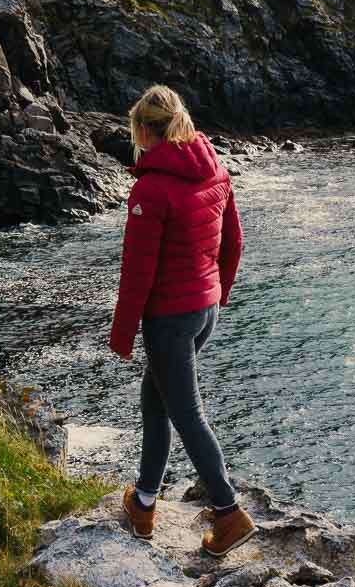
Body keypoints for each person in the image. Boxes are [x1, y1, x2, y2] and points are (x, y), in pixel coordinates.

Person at [109, 83, 255, 555]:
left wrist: (123, 333)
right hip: (202, 309)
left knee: (187, 414)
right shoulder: (215, 170)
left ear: (144, 131)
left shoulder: (150, 190)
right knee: (156, 403)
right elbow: (233, 245)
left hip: (170, 318)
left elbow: (138, 271)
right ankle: (144, 503)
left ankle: (229, 512)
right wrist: (217, 295)